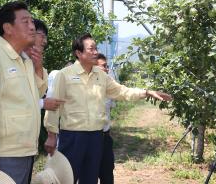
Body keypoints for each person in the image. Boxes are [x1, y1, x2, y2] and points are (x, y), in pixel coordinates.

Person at [44, 33, 172, 184]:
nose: (95, 52)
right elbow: (54, 105)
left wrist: (146, 92)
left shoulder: (101, 75)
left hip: (96, 137)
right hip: (72, 137)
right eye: (91, 49)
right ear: (79, 53)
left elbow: (122, 91)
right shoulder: (65, 75)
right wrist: (51, 135)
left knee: (90, 179)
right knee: (67, 179)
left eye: (96, 48)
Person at [0, 1, 48, 183]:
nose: (32, 27)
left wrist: (38, 68)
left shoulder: (24, 60)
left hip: (23, 152)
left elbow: (34, 96)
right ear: (8, 28)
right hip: (2, 155)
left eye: (32, 22)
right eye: (25, 21)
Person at [96, 53, 116, 184]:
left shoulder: (109, 84)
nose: (107, 69)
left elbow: (112, 106)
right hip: (89, 137)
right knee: (88, 175)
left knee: (107, 174)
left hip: (105, 137)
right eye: (104, 66)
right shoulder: (84, 87)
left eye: (107, 65)